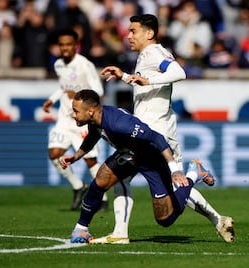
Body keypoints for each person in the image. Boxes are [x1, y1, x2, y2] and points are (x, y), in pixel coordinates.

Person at [98, 14, 235, 243]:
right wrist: (123, 76)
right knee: (165, 184)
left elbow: (179, 73)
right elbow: (145, 85)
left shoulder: (154, 52)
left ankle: (194, 174)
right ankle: (216, 218)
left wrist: (147, 81)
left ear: (149, 33)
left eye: (133, 31)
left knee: (130, 180)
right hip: (148, 131)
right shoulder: (146, 55)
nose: (128, 35)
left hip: (156, 134)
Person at [61, 89, 214, 243]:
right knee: (99, 182)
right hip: (130, 155)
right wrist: (75, 156)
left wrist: (175, 170)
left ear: (91, 111)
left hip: (151, 160)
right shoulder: (96, 120)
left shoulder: (120, 124)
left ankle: (194, 173)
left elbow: (156, 137)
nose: (73, 115)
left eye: (75, 111)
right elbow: (93, 136)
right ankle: (81, 229)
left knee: (165, 219)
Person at [42, 28, 108, 211]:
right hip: (64, 119)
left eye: (68, 44)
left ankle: (102, 198)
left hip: (83, 121)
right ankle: (78, 186)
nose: (64, 48)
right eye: (61, 45)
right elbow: (63, 87)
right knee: (54, 154)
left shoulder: (85, 65)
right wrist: (52, 99)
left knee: (90, 161)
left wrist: (78, 95)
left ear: (76, 46)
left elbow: (99, 91)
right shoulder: (58, 65)